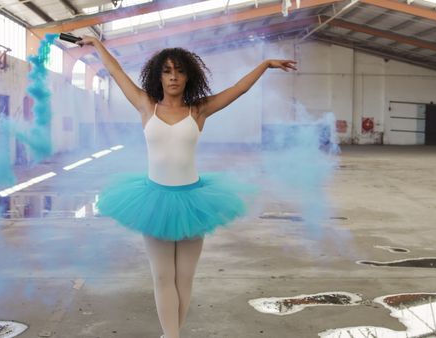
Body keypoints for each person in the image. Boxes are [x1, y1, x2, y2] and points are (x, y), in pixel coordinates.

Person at [78, 35, 296, 338]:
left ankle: (170, 335)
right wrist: (96, 45)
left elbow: (238, 89)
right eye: (167, 71)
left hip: (193, 202)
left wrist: (265, 64)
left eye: (179, 71)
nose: (173, 77)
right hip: (153, 201)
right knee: (162, 277)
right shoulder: (145, 105)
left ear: (188, 75)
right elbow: (116, 72)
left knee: (184, 278)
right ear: (158, 75)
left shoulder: (199, 111)